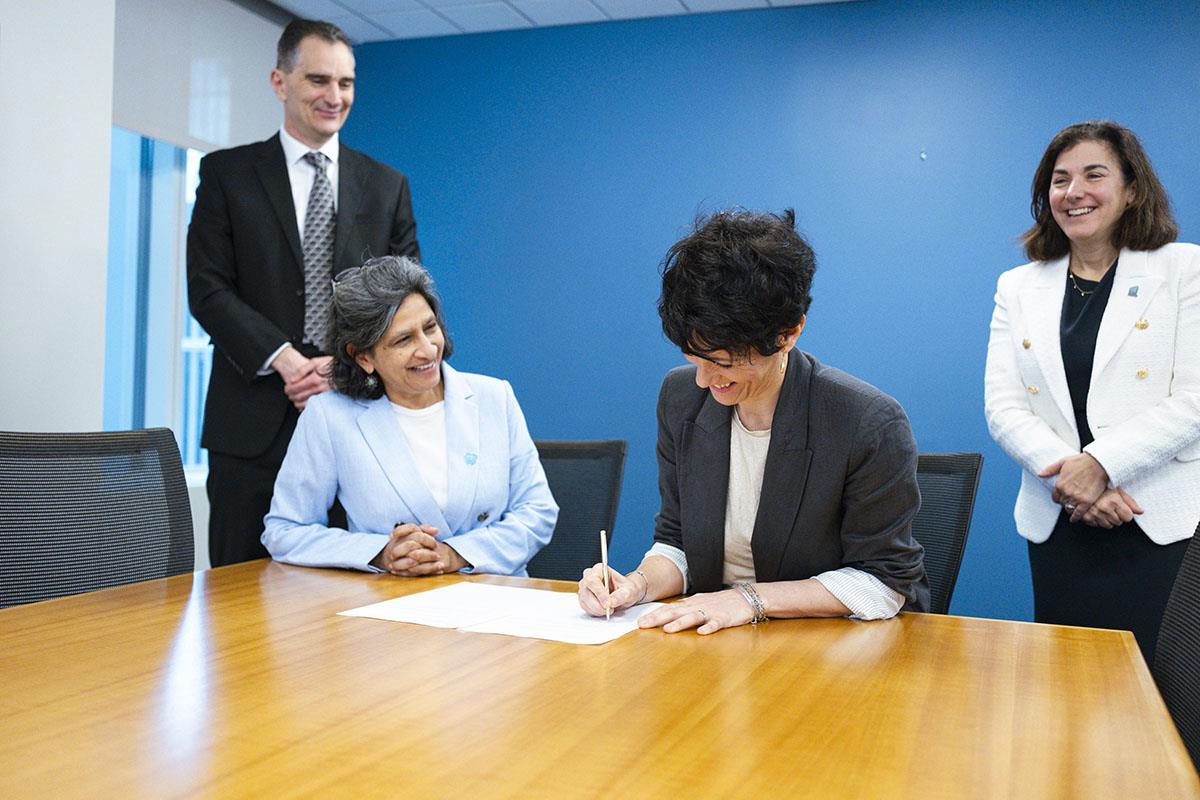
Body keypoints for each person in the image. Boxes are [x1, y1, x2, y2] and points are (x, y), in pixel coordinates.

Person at [578, 209, 929, 632]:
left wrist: (748, 599)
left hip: (830, 645)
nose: (705, 381)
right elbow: (678, 542)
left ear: (788, 333)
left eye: (722, 363)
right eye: (693, 359)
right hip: (719, 642)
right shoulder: (681, 396)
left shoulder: (866, 421)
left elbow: (884, 582)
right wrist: (636, 585)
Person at [187, 19, 420, 567]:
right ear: (279, 81)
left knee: (350, 601)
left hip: (356, 419)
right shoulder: (227, 174)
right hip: (250, 426)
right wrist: (290, 362)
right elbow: (207, 288)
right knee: (235, 597)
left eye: (346, 83)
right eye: (319, 80)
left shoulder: (387, 186)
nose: (334, 97)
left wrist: (337, 370)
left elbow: (404, 302)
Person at [984, 120, 1200, 662]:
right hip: (1062, 519)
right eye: (1060, 180)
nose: (1074, 192)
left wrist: (1101, 466)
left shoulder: (1185, 270)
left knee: (1165, 700)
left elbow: (1194, 398)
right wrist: (1076, 477)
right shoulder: (1019, 285)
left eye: (1093, 175)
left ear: (1131, 190)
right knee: (1069, 692)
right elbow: (1003, 407)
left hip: (1156, 521)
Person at [262, 256, 557, 575]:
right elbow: (284, 531)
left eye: (430, 328)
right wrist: (380, 553)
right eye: (404, 339)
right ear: (363, 356)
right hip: (390, 606)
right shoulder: (329, 417)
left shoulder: (494, 397)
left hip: (497, 599)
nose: (428, 349)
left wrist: (456, 554)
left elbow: (537, 511)